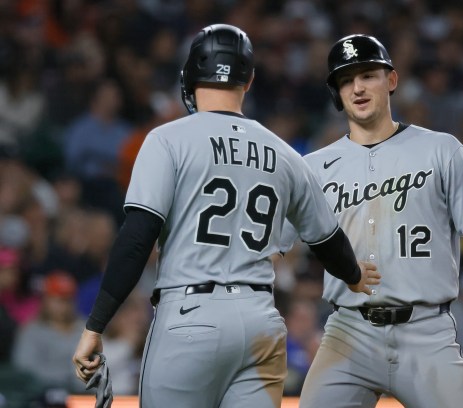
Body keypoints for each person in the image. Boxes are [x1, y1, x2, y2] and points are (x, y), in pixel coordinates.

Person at [71, 24, 379, 408]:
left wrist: (95, 325)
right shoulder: (284, 153)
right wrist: (354, 276)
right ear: (247, 80)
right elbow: (328, 241)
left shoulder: (168, 139)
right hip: (260, 322)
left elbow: (137, 239)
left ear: (191, 74)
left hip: (189, 315)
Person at [292, 34, 463, 407]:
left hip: (427, 331)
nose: (358, 87)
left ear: (392, 80)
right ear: (336, 92)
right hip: (347, 331)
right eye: (346, 80)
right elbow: (275, 247)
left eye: (368, 75)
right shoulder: (313, 167)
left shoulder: (442, 149)